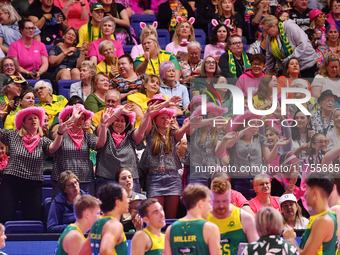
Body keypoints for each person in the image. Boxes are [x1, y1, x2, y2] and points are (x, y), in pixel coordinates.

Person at [0, 106, 75, 223]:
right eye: (29, 118)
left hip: (33, 184)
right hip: (11, 182)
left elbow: (53, 149)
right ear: (23, 123)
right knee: (5, 214)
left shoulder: (43, 141)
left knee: (32, 217)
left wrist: (60, 133)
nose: (34, 120)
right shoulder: (13, 136)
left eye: (36, 118)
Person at [139, 96, 189, 219]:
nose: (166, 120)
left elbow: (183, 130)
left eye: (168, 117)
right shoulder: (150, 132)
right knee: (156, 217)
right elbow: (148, 115)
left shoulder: (172, 132)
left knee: (171, 218)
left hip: (173, 178)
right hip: (154, 179)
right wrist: (166, 103)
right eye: (163, 117)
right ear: (155, 120)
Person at [51, 104, 100, 196]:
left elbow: (99, 145)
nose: (80, 120)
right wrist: (72, 119)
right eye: (77, 117)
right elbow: (55, 136)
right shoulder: (61, 132)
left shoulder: (87, 135)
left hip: (85, 179)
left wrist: (104, 125)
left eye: (82, 118)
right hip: (63, 180)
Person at [283, 173, 338, 255]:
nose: (305, 193)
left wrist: (291, 240)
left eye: (307, 189)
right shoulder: (325, 216)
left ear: (315, 192)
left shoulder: (323, 220)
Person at [164, 183, 221, 255]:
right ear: (200, 203)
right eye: (208, 202)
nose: (210, 206)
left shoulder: (170, 229)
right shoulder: (211, 229)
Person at [207, 177, 258, 255]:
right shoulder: (204, 219)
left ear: (231, 196)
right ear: (210, 197)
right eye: (217, 201)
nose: (221, 206)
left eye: (225, 201)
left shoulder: (245, 219)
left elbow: (256, 251)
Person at [77, 183, 129, 255]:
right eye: (126, 198)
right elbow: (105, 251)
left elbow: (82, 253)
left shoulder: (97, 223)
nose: (128, 201)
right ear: (118, 202)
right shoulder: (115, 225)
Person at [115, 168, 146, 232]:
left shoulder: (142, 198)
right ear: (117, 183)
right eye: (124, 178)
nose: (128, 180)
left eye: (130, 177)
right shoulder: (114, 201)